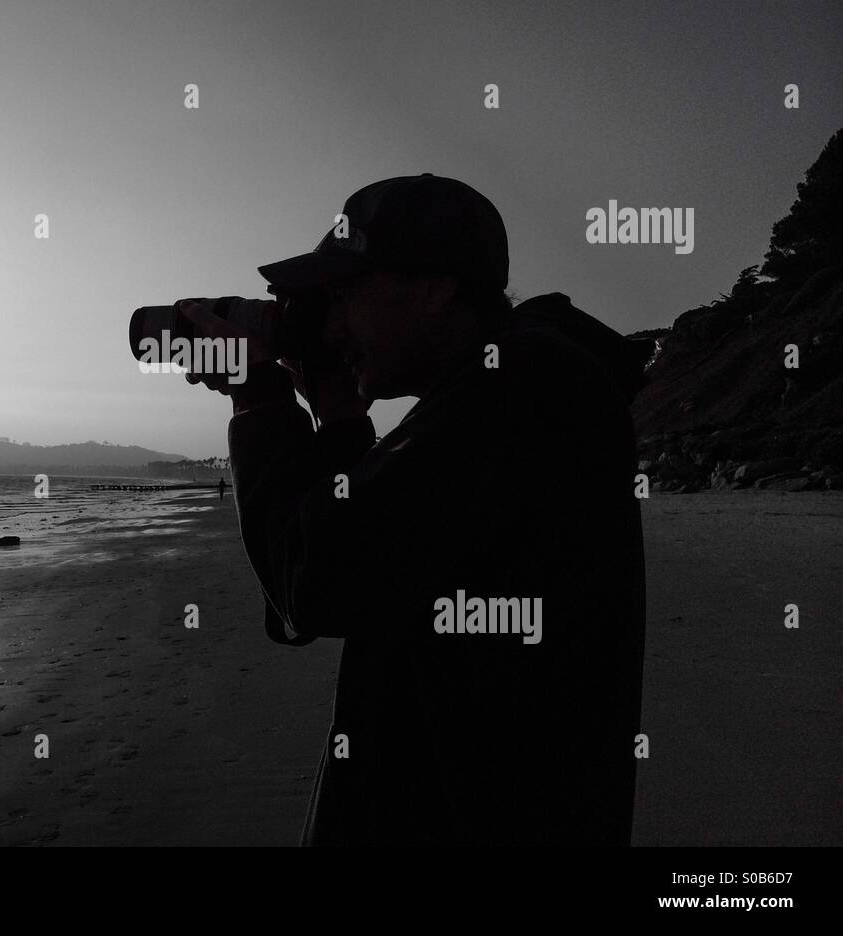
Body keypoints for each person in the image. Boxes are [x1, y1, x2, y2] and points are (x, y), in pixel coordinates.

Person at [182, 174, 648, 846]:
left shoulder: (521, 387)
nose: (333, 327)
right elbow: (376, 556)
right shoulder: (502, 386)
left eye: (344, 295)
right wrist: (340, 419)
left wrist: (259, 400)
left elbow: (314, 580)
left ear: (433, 288)